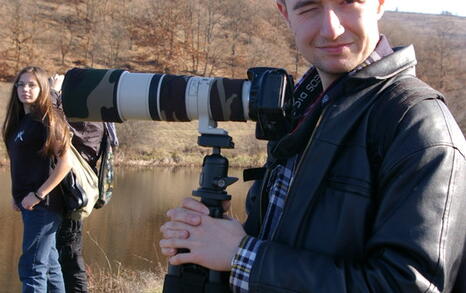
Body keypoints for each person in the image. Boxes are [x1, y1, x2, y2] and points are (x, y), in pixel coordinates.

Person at [159, 0, 466, 292]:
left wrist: (242, 256)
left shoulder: (418, 126)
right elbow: (288, 245)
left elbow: (409, 285)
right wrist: (216, 240)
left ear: (380, 3)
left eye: (348, 2)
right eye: (309, 7)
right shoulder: (303, 111)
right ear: (285, 13)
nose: (331, 29)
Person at [2, 66, 71, 292]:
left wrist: (38, 194)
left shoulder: (48, 120)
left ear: (43, 88)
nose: (25, 89)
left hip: (45, 205)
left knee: (32, 267)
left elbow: (65, 164)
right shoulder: (21, 122)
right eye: (21, 84)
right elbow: (22, 164)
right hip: (29, 205)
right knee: (50, 267)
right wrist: (17, 195)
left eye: (32, 85)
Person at [49, 74, 119, 293]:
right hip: (74, 192)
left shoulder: (89, 121)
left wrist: (54, 93)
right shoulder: (101, 116)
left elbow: (53, 126)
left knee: (68, 255)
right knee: (67, 253)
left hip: (69, 193)